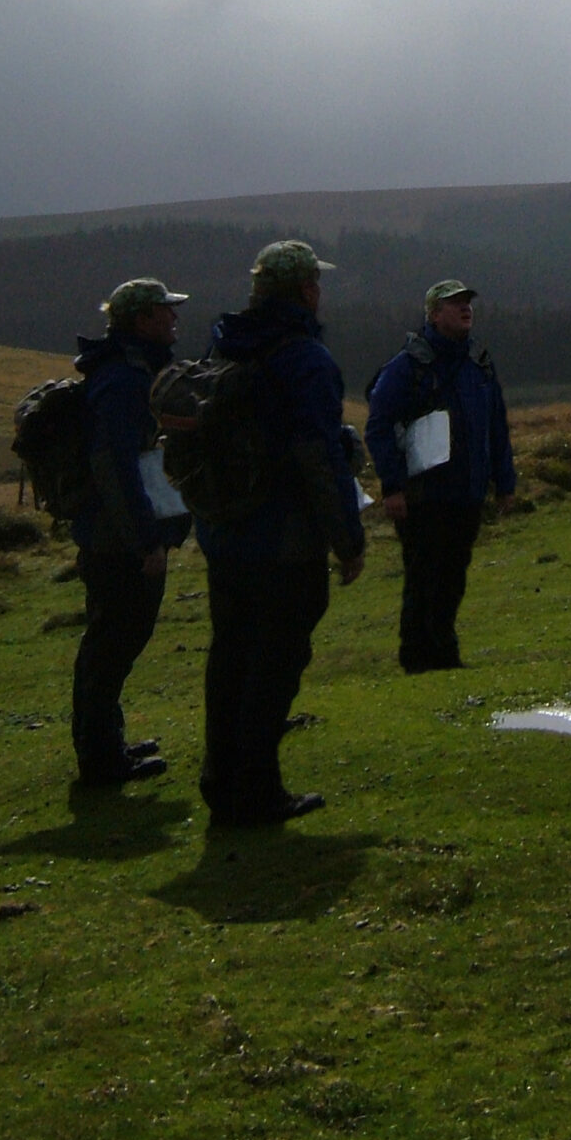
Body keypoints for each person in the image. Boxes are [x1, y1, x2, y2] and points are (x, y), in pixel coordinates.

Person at [194, 240, 368, 827]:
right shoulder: (306, 359)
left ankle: (221, 783)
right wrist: (348, 540)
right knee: (275, 662)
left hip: (225, 532)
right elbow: (318, 457)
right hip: (285, 540)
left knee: (231, 657)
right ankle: (258, 792)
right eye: (315, 283)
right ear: (305, 291)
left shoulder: (223, 344)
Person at [67, 277, 194, 786]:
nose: (174, 319)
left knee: (112, 642)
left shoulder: (124, 371)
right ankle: (100, 761)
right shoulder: (123, 381)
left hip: (111, 534)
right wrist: (146, 541)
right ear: (143, 321)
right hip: (118, 540)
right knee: (113, 643)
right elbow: (115, 466)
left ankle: (106, 743)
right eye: (166, 312)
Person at [365, 279, 517, 672]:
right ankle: (418, 658)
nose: (466, 308)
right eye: (455, 304)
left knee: (452, 577)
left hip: (467, 494)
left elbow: (496, 425)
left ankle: (444, 655)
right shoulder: (407, 366)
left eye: (468, 302)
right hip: (423, 497)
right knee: (424, 578)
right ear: (434, 314)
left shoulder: (479, 362)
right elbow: (379, 426)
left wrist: (505, 482)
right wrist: (393, 487)